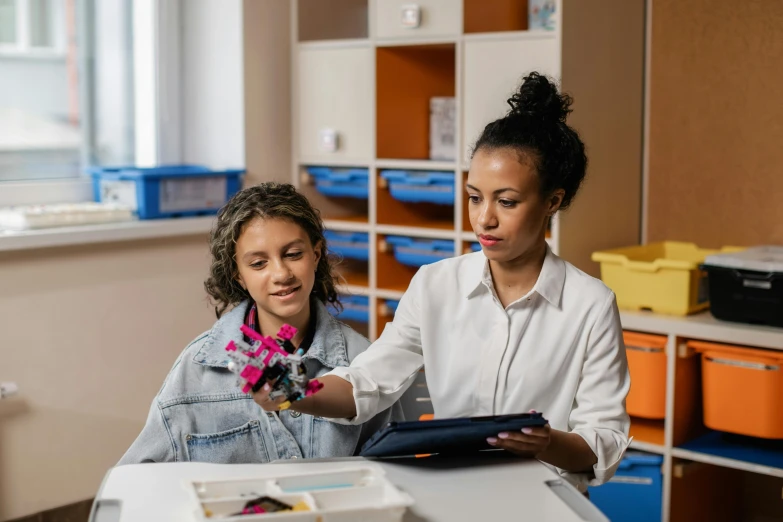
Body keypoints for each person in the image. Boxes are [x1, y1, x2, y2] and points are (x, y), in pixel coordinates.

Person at [253, 72, 631, 490]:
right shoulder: (435, 285)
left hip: (542, 498)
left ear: (552, 201)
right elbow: (368, 382)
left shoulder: (590, 305)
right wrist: (292, 391)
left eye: (506, 201)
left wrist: (543, 443)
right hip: (455, 492)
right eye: (474, 197)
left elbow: (604, 441)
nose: (484, 218)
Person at [118, 182, 401, 464]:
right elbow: (135, 475)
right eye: (258, 264)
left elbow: (396, 467)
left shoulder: (361, 359)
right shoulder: (197, 368)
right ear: (237, 274)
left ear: (315, 255)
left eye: (293, 255)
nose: (281, 273)